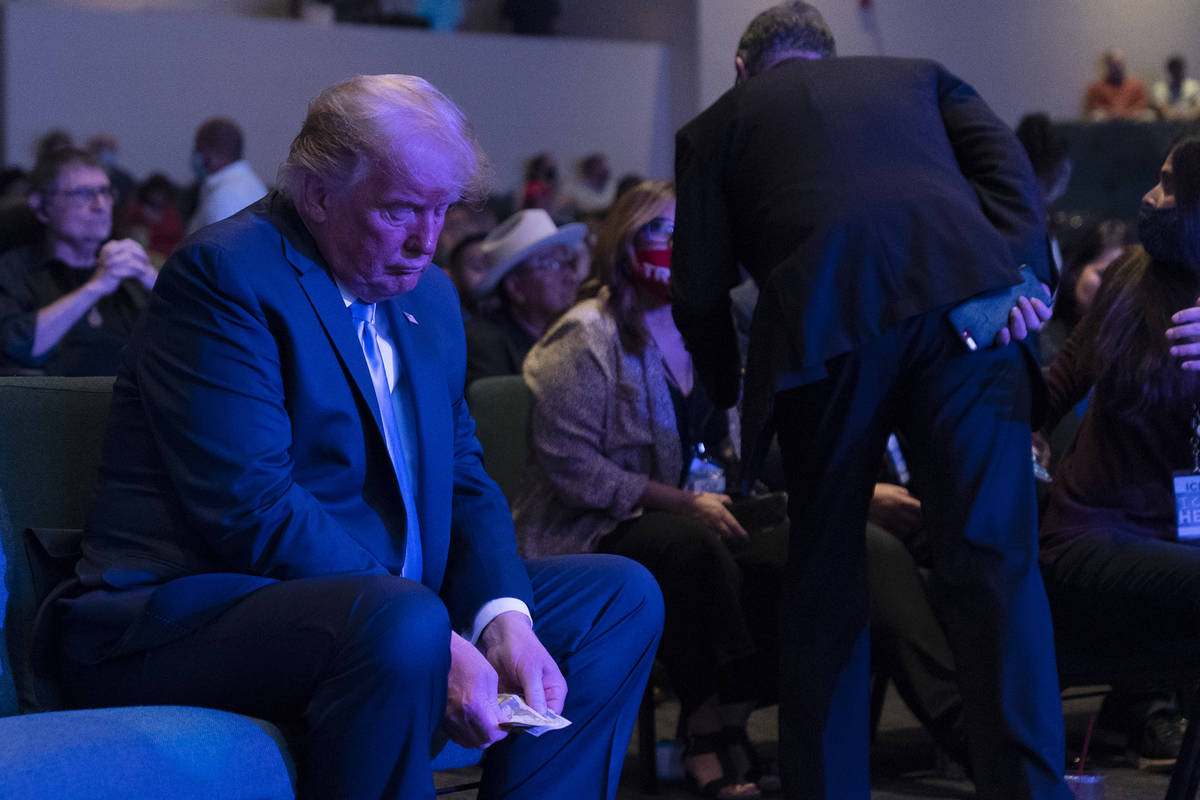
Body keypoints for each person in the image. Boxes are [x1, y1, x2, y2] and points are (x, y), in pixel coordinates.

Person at [50, 74, 662, 800]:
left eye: (442, 212)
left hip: (380, 603)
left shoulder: (429, 295)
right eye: (401, 209)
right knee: (403, 622)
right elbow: (252, 503)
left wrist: (503, 617)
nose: (425, 240)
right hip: (186, 611)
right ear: (318, 196)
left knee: (619, 596)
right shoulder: (226, 275)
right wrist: (441, 635)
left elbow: (462, 474)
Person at [670, 4, 1069, 798]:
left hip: (827, 330)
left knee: (827, 576)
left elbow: (698, 288)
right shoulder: (919, 77)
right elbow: (1011, 177)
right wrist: (1021, 284)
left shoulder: (720, 122)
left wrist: (725, 398)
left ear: (743, 68)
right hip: (966, 312)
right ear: (832, 57)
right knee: (997, 569)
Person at [515, 180, 786, 799]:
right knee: (686, 550)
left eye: (685, 233)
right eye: (658, 231)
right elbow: (573, 469)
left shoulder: (708, 331)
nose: (674, 246)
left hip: (698, 509)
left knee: (787, 552)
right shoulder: (586, 334)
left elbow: (736, 437)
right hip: (586, 528)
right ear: (623, 242)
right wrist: (686, 502)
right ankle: (704, 730)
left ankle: (733, 714)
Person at [1038, 134, 1200, 770]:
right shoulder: (1127, 283)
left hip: (1179, 542)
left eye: (1167, 186)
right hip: (1093, 538)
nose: (1149, 197)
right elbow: (1044, 398)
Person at [0, 148, 155, 375]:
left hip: (133, 404)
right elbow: (15, 347)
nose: (100, 205)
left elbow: (196, 337)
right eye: (84, 194)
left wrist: (152, 279)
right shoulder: (13, 270)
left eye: (105, 192)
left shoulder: (130, 266)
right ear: (41, 206)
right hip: (51, 407)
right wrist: (96, 287)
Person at [464, 207, 584, 385]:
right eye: (552, 265)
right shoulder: (485, 343)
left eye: (567, 262)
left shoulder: (576, 333)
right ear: (516, 287)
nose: (571, 277)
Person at [184, 117, 267, 234]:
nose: (196, 155)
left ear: (212, 152)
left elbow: (211, 250)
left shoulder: (224, 197)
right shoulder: (252, 183)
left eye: (199, 149)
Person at [1084, 48, 1152, 121]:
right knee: (1097, 116)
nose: (1117, 67)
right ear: (1107, 65)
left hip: (1131, 118)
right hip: (1107, 120)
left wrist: (1128, 112)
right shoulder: (1097, 87)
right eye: (1114, 64)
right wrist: (1111, 112)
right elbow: (1093, 105)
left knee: (1148, 115)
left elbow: (1142, 103)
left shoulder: (1136, 85)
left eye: (1120, 63)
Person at [1151, 55, 1200, 121]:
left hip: (1191, 120)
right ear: (1169, 70)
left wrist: (1190, 118)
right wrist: (1174, 118)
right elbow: (1162, 107)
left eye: (1178, 68)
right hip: (1170, 121)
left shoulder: (1194, 85)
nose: (1176, 71)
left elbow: (1198, 107)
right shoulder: (1160, 87)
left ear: (1183, 68)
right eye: (1173, 68)